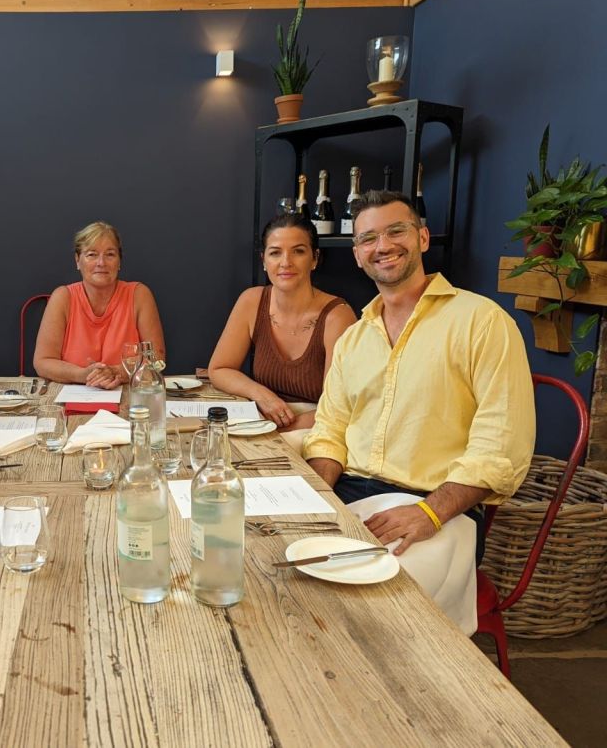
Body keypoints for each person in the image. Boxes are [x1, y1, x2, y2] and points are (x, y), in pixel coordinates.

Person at [302, 191, 535, 633]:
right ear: (357, 255)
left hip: (439, 508)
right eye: (368, 238)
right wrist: (316, 495)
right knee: (276, 569)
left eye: (397, 231)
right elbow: (330, 428)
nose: (383, 246)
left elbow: (501, 446)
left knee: (365, 609)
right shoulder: (354, 339)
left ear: (423, 238)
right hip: (349, 494)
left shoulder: (482, 321)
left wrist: (430, 512)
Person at [208, 214, 355, 436]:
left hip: (317, 426)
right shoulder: (251, 301)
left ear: (314, 258)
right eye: (275, 253)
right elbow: (219, 369)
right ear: (264, 260)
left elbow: (337, 408)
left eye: (298, 251)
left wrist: (273, 432)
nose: (286, 262)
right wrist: (261, 395)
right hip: (265, 419)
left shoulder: (338, 316)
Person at [33, 221, 165, 389]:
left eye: (110, 254)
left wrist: (116, 372)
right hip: (74, 394)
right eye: (92, 254)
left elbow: (157, 359)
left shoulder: (139, 295)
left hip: (131, 395)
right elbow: (42, 362)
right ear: (77, 260)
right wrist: (82, 375)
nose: (101, 263)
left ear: (119, 261)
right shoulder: (62, 297)